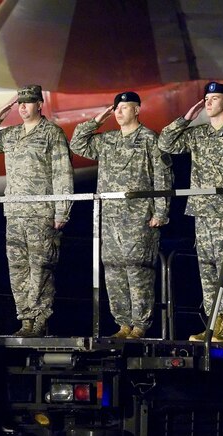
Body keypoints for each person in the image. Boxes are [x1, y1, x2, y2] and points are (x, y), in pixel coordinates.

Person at [158, 82, 223, 342]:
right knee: (207, 270)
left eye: (214, 98)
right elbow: (166, 143)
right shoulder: (198, 133)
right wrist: (185, 119)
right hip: (202, 213)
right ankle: (213, 324)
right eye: (206, 98)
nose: (208, 103)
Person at [0, 84, 74, 337]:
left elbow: (62, 173)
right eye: (20, 103)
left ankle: (40, 319)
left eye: (28, 102)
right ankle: (26, 319)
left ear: (40, 104)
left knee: (41, 266)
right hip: (15, 212)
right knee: (17, 268)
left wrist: (63, 210)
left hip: (41, 212)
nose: (23, 107)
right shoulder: (11, 134)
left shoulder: (52, 133)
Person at [70, 91, 173, 339]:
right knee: (114, 271)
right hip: (109, 219)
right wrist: (96, 120)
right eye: (116, 108)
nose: (119, 112)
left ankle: (140, 325)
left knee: (138, 271)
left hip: (139, 217)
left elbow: (163, 177)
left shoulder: (150, 139)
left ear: (137, 110)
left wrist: (161, 211)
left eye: (124, 107)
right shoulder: (108, 139)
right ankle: (123, 324)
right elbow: (77, 144)